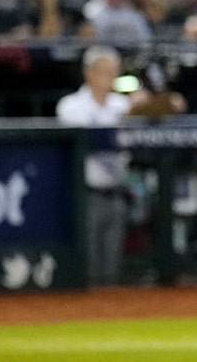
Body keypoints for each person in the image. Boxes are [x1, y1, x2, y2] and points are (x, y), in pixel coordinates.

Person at [56, 46, 186, 285]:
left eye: (115, 71)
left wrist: (158, 103)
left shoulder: (120, 103)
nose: (112, 77)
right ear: (89, 73)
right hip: (86, 195)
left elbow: (172, 107)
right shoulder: (72, 105)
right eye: (106, 71)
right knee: (87, 267)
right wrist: (131, 114)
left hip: (117, 192)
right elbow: (93, 138)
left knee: (112, 267)